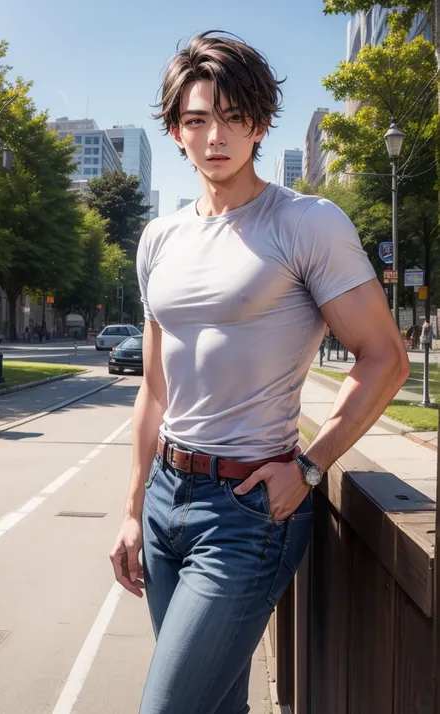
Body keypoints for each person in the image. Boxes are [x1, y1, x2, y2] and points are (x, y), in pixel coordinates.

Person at [109, 31, 409, 714]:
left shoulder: (306, 223)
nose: (215, 135)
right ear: (176, 130)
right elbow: (154, 390)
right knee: (217, 706)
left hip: (247, 511)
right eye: (196, 119)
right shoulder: (159, 239)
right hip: (165, 498)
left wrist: (308, 467)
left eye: (233, 116)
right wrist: (132, 510)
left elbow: (385, 358)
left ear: (261, 123)